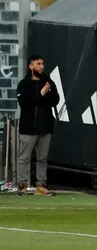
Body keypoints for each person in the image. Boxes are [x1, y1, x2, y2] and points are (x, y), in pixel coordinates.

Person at [16, 54, 60, 196]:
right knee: (24, 157)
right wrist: (40, 94)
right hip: (28, 128)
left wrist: (46, 93)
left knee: (42, 158)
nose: (41, 66)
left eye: (42, 63)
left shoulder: (48, 81)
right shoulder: (23, 84)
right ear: (31, 66)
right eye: (38, 64)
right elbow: (25, 104)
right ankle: (22, 185)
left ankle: (41, 185)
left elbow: (55, 100)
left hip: (45, 127)